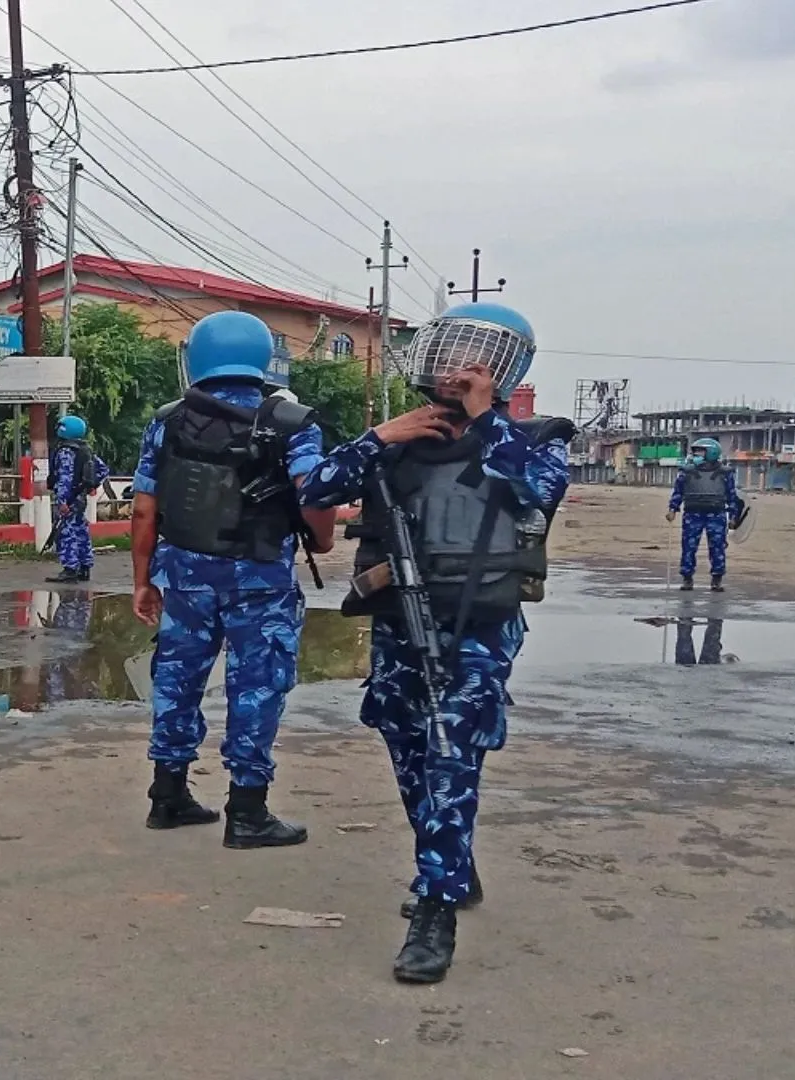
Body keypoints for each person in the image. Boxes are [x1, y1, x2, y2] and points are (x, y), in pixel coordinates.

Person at [302, 301, 571, 985]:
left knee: (453, 753)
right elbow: (314, 490)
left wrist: (485, 421)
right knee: (408, 745)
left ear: (504, 370)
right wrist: (378, 436)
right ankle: (449, 858)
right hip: (400, 621)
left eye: (477, 358)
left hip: (478, 626)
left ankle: (436, 905)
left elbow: (532, 495)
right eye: (451, 353)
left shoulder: (536, 438)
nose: (458, 369)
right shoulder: (401, 440)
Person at [132, 310, 337, 851]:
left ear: (196, 357)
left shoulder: (167, 420)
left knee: (175, 682)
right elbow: (314, 491)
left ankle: (167, 795)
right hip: (260, 581)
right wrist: (321, 541)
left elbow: (144, 509)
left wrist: (141, 581)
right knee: (256, 688)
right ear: (263, 356)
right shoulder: (292, 421)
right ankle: (247, 811)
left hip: (185, 578)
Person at [667, 438, 741, 592]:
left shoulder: (725, 473)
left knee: (717, 548)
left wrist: (734, 517)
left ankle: (717, 578)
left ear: (711, 453)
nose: (696, 455)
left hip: (717, 514)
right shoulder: (686, 472)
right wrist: (673, 509)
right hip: (692, 514)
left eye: (700, 452)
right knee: (688, 547)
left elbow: (732, 496)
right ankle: (687, 578)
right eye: (695, 452)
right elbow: (678, 492)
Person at [47, 415, 110, 584]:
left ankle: (70, 569)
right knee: (81, 530)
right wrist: (90, 485)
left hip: (69, 499)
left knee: (66, 533)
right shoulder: (85, 449)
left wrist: (63, 502)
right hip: (80, 497)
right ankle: (84, 568)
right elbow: (103, 469)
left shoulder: (66, 451)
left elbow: (64, 479)